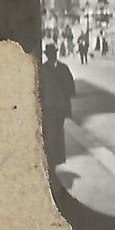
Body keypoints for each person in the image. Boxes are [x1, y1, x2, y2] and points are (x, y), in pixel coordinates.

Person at [40, 42, 76, 170]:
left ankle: (56, 160)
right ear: (47, 55)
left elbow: (71, 87)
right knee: (50, 134)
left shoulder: (63, 68)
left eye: (53, 53)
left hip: (60, 108)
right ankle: (51, 163)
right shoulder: (42, 69)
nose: (52, 55)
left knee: (57, 135)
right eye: (50, 54)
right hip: (48, 108)